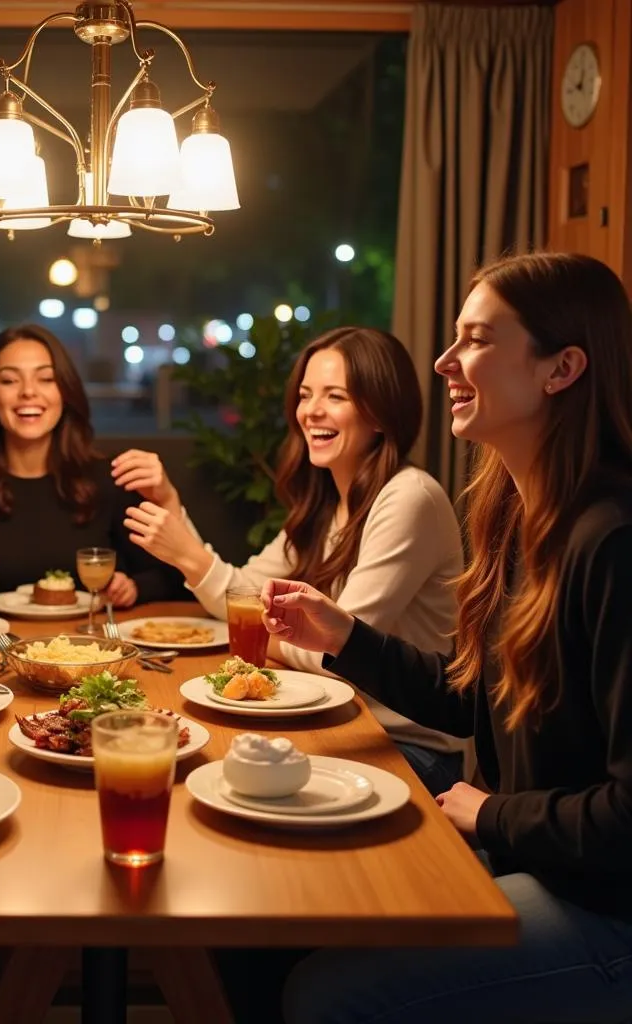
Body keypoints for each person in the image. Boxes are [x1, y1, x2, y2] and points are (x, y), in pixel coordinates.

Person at [262, 253, 632, 1023]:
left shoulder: (612, 541)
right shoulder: (514, 518)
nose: (442, 362)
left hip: (607, 907)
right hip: (535, 861)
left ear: (562, 368)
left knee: (322, 995)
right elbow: (480, 697)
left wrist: (488, 815)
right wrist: (347, 638)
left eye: (476, 340)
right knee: (292, 912)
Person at [119, 327, 468, 795]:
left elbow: (339, 648)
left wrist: (258, 628)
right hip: (343, 723)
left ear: (382, 413)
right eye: (305, 395)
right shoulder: (325, 503)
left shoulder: (409, 498)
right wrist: (171, 504)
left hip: (407, 748)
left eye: (335, 396)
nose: (311, 411)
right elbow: (242, 591)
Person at [0, 323, 183, 609]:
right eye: (9, 381)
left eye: (46, 379)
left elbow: (174, 574)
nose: (28, 392)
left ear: (65, 393)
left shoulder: (108, 478)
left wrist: (134, 587)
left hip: (88, 649)